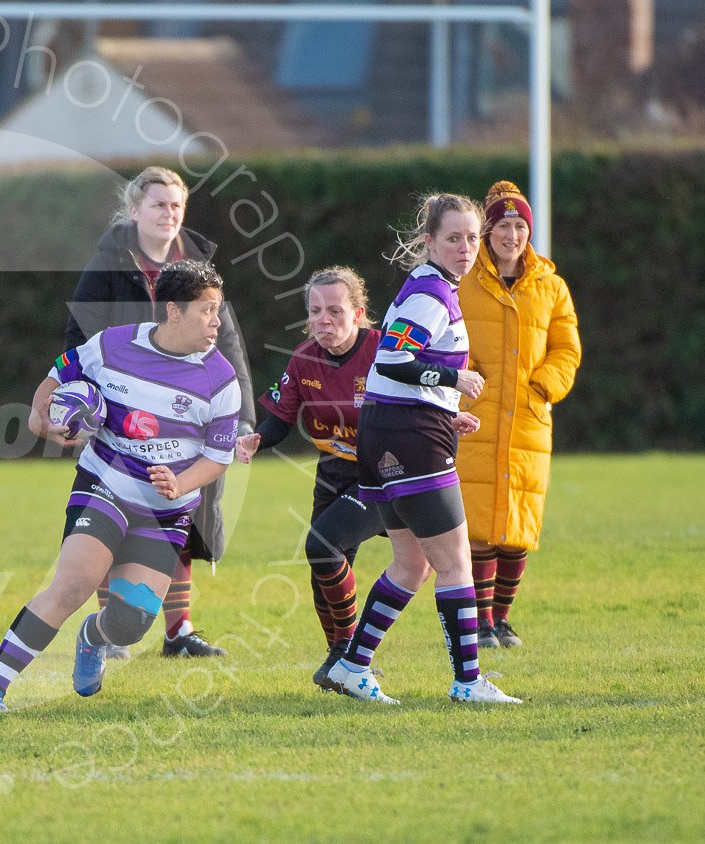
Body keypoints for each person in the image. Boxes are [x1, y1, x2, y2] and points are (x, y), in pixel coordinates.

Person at [0, 261, 240, 714]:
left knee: (131, 624)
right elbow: (59, 373)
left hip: (165, 512)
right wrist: (39, 417)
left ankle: (93, 636)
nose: (217, 322)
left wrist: (180, 483)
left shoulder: (221, 379)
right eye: (206, 310)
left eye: (218, 310)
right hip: (104, 485)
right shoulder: (112, 345)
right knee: (73, 585)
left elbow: (218, 457)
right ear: (173, 311)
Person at [325, 192, 521, 705]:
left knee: (411, 564)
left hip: (390, 428)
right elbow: (393, 360)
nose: (465, 248)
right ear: (430, 241)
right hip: (409, 437)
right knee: (455, 563)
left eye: (472, 238)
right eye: (453, 238)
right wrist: (455, 379)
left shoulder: (428, 287)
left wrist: (444, 409)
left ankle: (351, 666)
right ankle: (468, 682)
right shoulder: (431, 294)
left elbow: (396, 372)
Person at [63, 166, 255, 660]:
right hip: (123, 416)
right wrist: (82, 404)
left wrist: (243, 417)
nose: (168, 214)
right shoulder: (107, 265)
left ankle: (178, 631)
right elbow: (79, 340)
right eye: (158, 204)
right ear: (135, 211)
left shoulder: (198, 265)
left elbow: (228, 344)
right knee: (112, 518)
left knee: (183, 514)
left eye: (176, 205)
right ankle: (109, 632)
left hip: (189, 413)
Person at [235, 267, 385, 691]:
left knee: (322, 546)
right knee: (324, 568)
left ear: (358, 314)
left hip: (382, 473)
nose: (324, 320)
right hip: (333, 471)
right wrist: (257, 439)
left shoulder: (382, 350)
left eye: (335, 311)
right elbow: (280, 419)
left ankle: (349, 653)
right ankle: (342, 657)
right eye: (315, 311)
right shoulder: (304, 359)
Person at [457, 180, 582, 649]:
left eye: (520, 227)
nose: (512, 236)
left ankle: (502, 619)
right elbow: (443, 337)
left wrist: (544, 385)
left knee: (517, 529)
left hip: (529, 418)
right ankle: (480, 621)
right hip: (474, 414)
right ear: (487, 232)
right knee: (477, 526)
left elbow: (566, 349)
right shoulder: (462, 281)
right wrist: (463, 377)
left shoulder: (551, 286)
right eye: (503, 227)